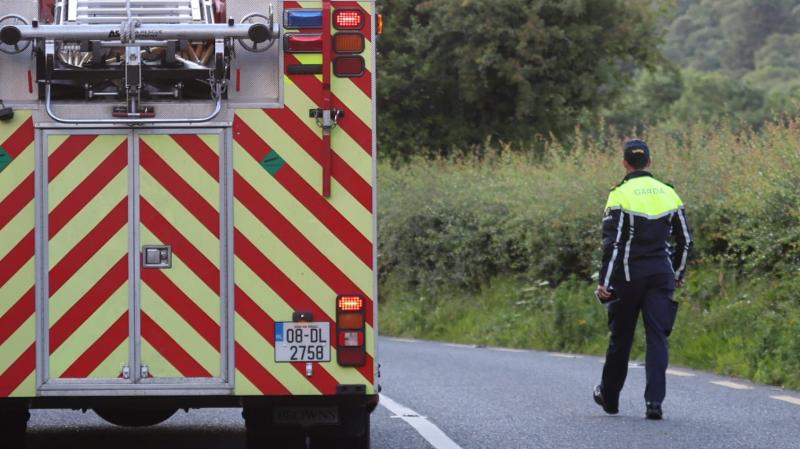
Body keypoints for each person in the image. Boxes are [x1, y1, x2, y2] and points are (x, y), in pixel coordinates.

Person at [593, 139, 693, 420]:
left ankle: (610, 398)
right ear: (649, 162)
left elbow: (612, 244)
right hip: (661, 275)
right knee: (657, 337)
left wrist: (605, 281)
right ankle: (654, 404)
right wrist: (678, 273)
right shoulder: (669, 193)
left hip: (627, 275)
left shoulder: (619, 195)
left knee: (621, 338)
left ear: (625, 163)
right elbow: (685, 241)